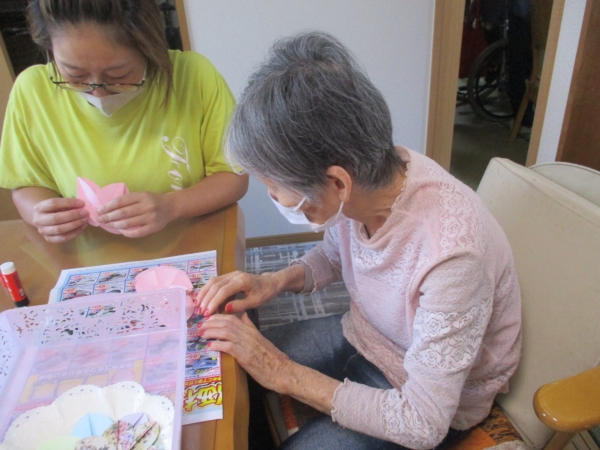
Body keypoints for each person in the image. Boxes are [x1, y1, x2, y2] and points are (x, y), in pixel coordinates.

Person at [196, 32, 522, 449]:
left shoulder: (452, 257)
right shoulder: (377, 173)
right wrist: (273, 282)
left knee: (264, 375)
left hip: (420, 401)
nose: (274, 198)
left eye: (274, 187)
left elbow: (423, 422)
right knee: (228, 367)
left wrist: (283, 372)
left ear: (337, 183)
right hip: (364, 337)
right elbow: (337, 254)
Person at [0, 0, 248, 243]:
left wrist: (172, 205)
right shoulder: (33, 90)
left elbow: (233, 177)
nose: (98, 91)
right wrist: (42, 213)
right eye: (75, 75)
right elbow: (26, 185)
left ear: (150, 50)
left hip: (191, 243)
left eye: (118, 75)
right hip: (88, 253)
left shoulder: (193, 76)